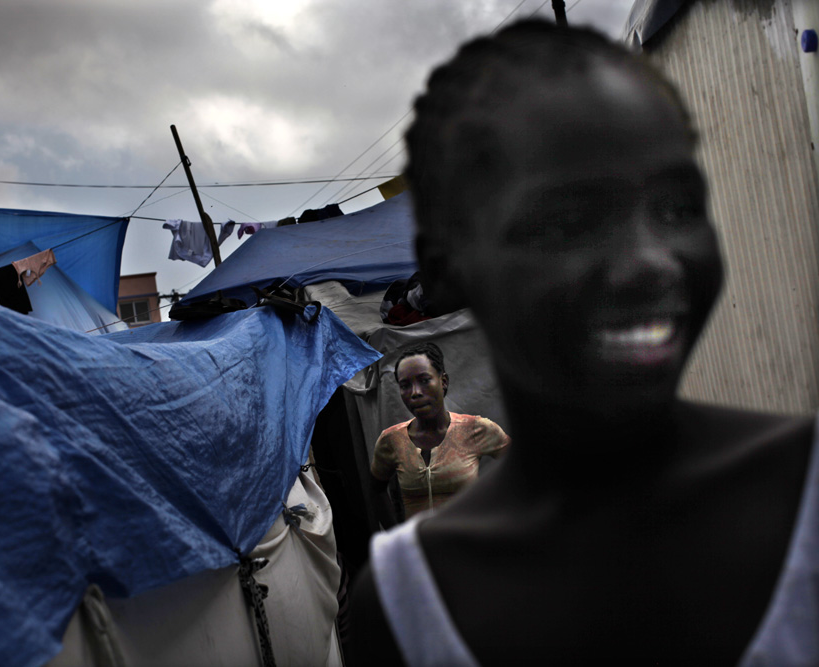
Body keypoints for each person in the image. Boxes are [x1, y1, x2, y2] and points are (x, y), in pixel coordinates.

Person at [347, 20, 816, 666]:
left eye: (677, 205)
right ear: (448, 267)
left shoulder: (804, 503)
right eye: (570, 218)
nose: (650, 262)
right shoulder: (406, 611)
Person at [370, 342, 509, 526]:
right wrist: (397, 537)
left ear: (443, 381)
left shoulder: (475, 429)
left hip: (469, 547)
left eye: (424, 380)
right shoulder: (392, 440)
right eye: (405, 385)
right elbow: (376, 489)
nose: (415, 393)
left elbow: (523, 467)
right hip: (422, 550)